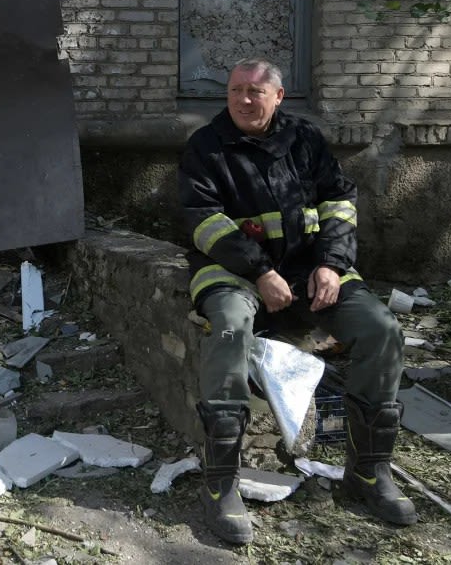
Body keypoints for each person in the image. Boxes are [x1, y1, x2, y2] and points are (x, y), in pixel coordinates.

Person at [178, 58, 417, 545]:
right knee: (228, 329)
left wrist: (331, 262)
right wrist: (260, 270)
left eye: (255, 91)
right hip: (232, 272)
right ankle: (221, 482)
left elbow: (340, 201)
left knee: (382, 329)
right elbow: (201, 219)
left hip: (312, 269)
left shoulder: (305, 140)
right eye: (235, 90)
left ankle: (369, 472)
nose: (244, 100)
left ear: (279, 96)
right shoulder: (205, 147)